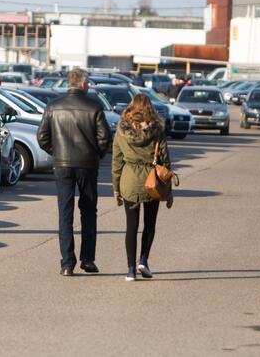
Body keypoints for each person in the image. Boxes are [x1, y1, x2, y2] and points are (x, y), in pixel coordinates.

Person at [37, 68, 111, 276]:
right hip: (87, 165)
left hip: (62, 165)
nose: (88, 86)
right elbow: (105, 138)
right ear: (82, 84)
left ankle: (67, 263)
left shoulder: (53, 106)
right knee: (88, 212)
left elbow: (42, 137)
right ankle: (87, 259)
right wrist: (96, 154)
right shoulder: (94, 107)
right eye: (87, 83)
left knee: (65, 213)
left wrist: (57, 152)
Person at [111, 94, 171, 282]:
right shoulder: (157, 130)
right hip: (152, 181)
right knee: (149, 224)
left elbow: (116, 160)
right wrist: (169, 190)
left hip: (129, 180)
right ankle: (143, 260)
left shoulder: (121, 130)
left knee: (131, 226)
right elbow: (165, 161)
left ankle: (130, 270)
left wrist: (116, 189)